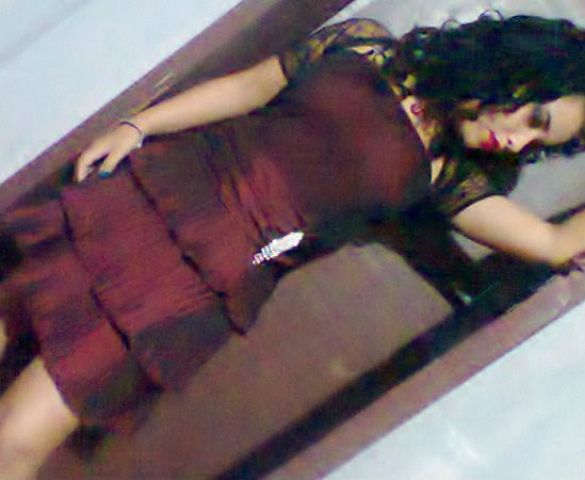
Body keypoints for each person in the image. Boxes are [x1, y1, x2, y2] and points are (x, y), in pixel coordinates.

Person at [2, 12, 585, 478]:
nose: (517, 143)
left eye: (537, 143)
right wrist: (139, 125)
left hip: (201, 282)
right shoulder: (366, 46)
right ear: (516, 71)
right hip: (154, 195)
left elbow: (553, 242)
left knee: (17, 440)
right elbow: (248, 88)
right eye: (534, 117)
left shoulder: (444, 174)